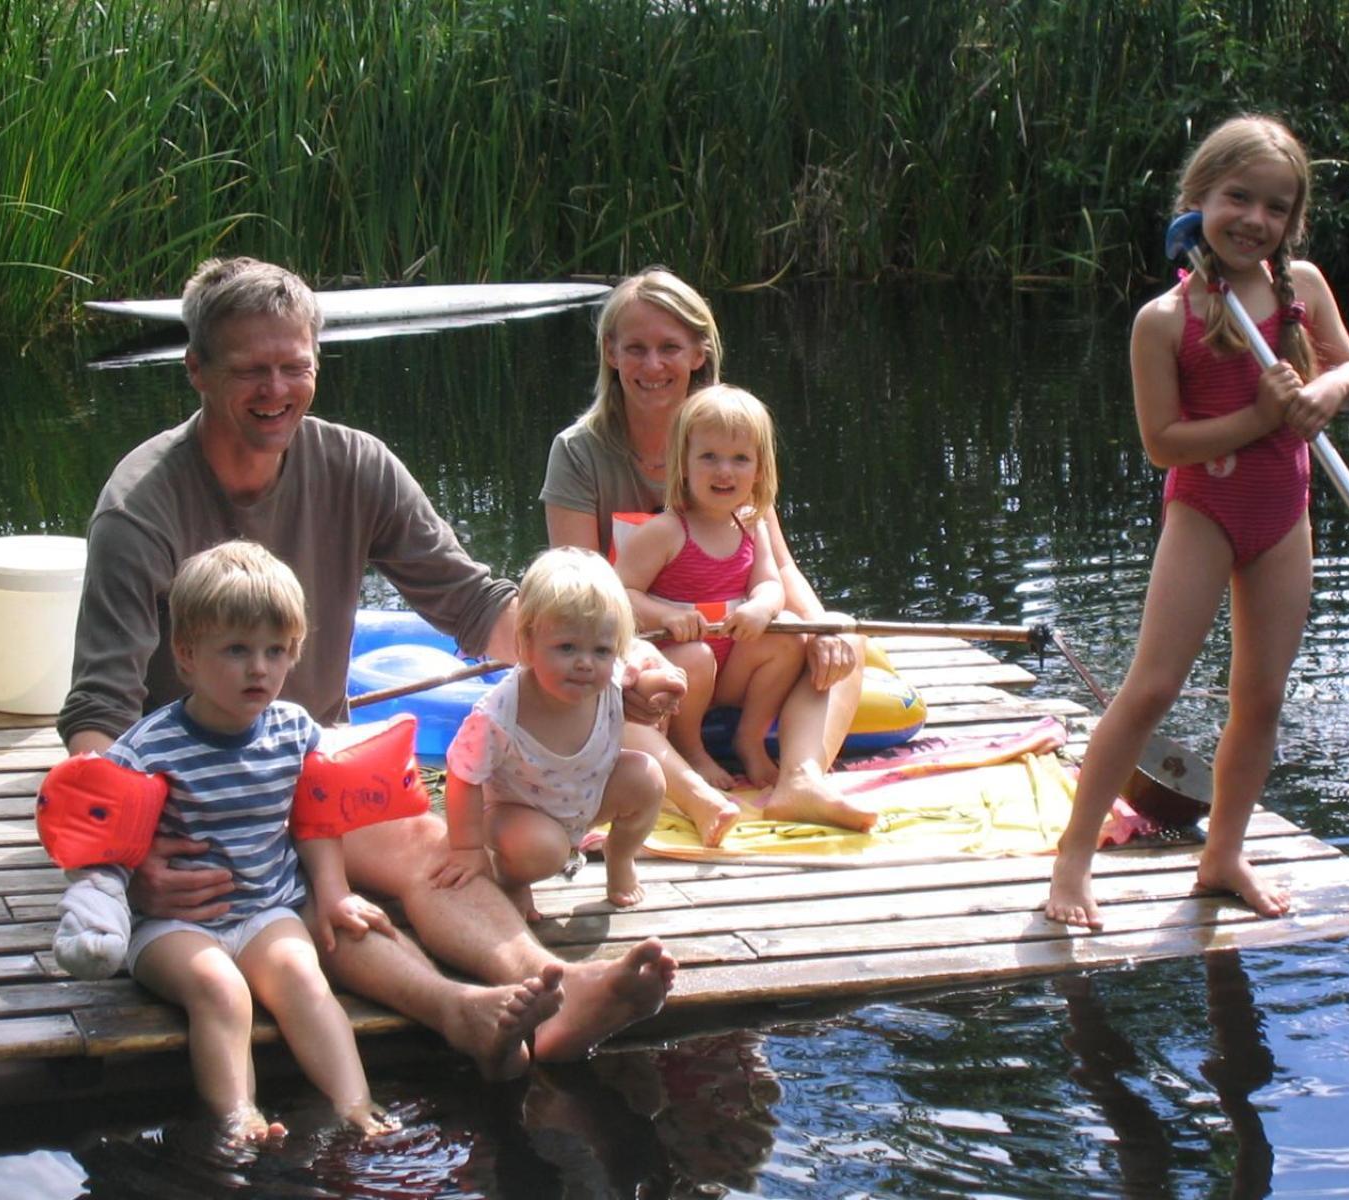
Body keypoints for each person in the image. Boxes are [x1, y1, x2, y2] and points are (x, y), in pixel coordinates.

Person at [57, 256, 678, 1079]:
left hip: (308, 752)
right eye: (250, 370)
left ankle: (555, 992)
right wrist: (129, 856)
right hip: (185, 787)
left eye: (295, 366)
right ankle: (459, 1010)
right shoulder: (141, 507)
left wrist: (613, 655)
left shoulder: (356, 464)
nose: (277, 389)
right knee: (300, 905)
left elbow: (470, 602)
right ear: (196, 370)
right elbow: (98, 713)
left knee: (430, 845)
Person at [1044, 115, 1349, 929]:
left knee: (1259, 697)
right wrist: (1262, 419)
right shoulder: (1165, 319)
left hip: (1282, 512)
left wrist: (1323, 395)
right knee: (1151, 687)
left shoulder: (1304, 289)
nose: (1253, 220)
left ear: (1291, 221)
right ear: (1199, 198)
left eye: (1275, 207)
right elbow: (1164, 445)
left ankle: (1223, 854)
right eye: (1237, 197)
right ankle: (1072, 864)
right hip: (1206, 508)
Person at [541, 267, 877, 839]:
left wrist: (821, 628)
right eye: (637, 349)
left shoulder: (731, 437)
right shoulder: (578, 452)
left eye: (670, 348)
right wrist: (640, 651)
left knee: (841, 639)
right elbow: (581, 591)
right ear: (611, 353)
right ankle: (694, 789)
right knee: (589, 693)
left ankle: (800, 779)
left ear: (699, 352)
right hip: (636, 642)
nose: (653, 367)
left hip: (727, 648)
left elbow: (778, 564)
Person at [101, 541, 397, 1141]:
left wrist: (333, 892)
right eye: (236, 650)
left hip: (265, 910)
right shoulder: (146, 751)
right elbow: (101, 843)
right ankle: (238, 1119)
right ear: (186, 655)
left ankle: (356, 1105)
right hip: (173, 926)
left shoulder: (294, 731)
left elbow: (314, 820)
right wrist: (131, 886)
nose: (259, 668)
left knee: (303, 976)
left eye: (275, 650)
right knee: (220, 990)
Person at [438, 548, 664, 919]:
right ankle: (512, 880)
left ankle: (619, 855)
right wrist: (466, 848)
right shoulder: (500, 714)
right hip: (518, 814)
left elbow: (643, 667)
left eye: (601, 649)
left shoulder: (610, 679)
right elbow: (462, 775)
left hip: (585, 800)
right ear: (527, 643)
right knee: (542, 850)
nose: (585, 663)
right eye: (567, 647)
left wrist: (665, 682)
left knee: (647, 777)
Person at [614, 384, 805, 791]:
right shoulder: (666, 531)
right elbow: (619, 595)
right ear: (682, 464)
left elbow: (770, 582)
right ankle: (691, 748)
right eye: (709, 457)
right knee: (697, 656)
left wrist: (761, 608)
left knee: (789, 634)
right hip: (680, 664)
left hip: (732, 665)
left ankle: (750, 739)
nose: (725, 471)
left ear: (759, 469)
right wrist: (667, 615)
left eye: (740, 459)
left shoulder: (752, 524)